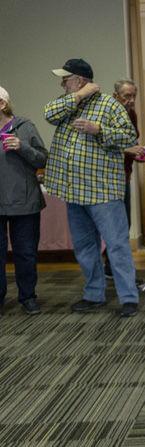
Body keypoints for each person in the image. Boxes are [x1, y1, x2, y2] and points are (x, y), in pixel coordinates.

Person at [44, 58, 140, 317]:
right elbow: (48, 113)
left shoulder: (109, 105)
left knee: (117, 245)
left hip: (103, 192)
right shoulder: (67, 105)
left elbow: (129, 136)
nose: (62, 82)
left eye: (67, 78)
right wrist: (79, 96)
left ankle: (129, 297)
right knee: (85, 247)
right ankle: (93, 294)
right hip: (74, 191)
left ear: (80, 79)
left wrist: (98, 129)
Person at [0, 86, 48, 316]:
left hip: (24, 202)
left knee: (25, 252)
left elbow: (42, 158)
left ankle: (28, 297)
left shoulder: (25, 126)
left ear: (2, 104)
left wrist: (22, 146)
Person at [102, 78, 145, 292]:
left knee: (125, 225)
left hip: (124, 175)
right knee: (118, 229)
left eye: (133, 96)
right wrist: (127, 150)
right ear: (115, 96)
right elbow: (101, 146)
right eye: (126, 96)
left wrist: (137, 153)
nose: (130, 101)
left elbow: (129, 142)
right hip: (107, 178)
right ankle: (120, 275)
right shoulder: (106, 114)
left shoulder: (131, 114)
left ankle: (111, 268)